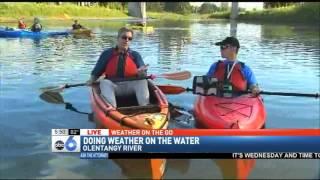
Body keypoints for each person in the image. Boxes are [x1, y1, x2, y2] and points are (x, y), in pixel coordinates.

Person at [86, 27, 149, 107]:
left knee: (142, 81)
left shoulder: (135, 55)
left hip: (130, 87)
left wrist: (142, 73)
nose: (126, 40)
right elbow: (96, 72)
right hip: (113, 86)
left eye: (129, 38)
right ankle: (111, 109)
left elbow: (143, 76)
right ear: (118, 38)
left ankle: (145, 107)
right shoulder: (107, 54)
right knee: (104, 82)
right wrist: (92, 80)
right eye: (124, 37)